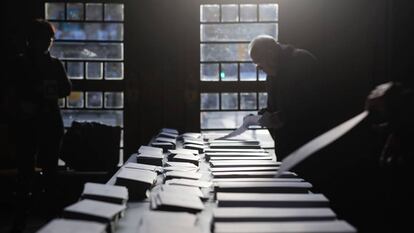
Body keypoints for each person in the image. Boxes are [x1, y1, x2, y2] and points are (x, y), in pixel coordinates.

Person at [7, 19, 71, 232]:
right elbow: (10, 93)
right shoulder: (26, 64)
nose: (46, 43)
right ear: (31, 40)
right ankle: (39, 221)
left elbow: (66, 88)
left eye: (49, 39)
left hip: (40, 124)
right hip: (35, 123)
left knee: (45, 175)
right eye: (43, 39)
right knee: (29, 174)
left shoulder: (42, 64)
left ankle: (34, 221)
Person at [246, 35, 328, 160]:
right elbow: (273, 107)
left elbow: (316, 104)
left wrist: (281, 117)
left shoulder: (302, 61)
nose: (259, 69)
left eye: (260, 64)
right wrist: (262, 116)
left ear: (271, 53)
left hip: (307, 146)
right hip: (286, 148)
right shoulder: (273, 73)